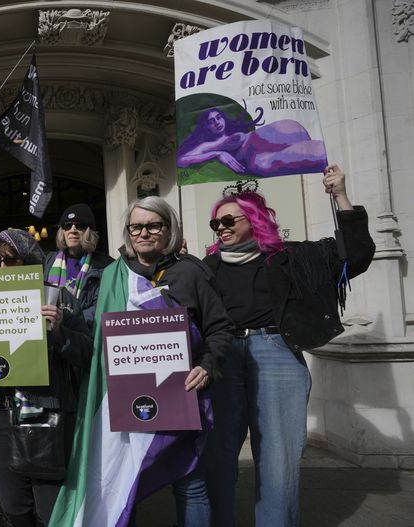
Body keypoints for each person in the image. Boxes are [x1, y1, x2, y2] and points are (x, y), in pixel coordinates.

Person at [203, 164, 375, 527]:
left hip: (275, 353)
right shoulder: (205, 268)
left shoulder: (291, 257)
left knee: (278, 460)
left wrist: (340, 195)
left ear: (254, 218)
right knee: (215, 457)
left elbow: (356, 255)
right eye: (216, 224)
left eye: (230, 220)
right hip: (222, 358)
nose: (222, 228)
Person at [78, 196, 233, 527]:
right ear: (127, 231)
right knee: (121, 484)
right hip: (123, 401)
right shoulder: (111, 276)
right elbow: (91, 331)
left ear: (169, 229)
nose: (144, 233)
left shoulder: (191, 272)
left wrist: (207, 366)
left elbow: (219, 328)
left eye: (153, 225)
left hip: (181, 396)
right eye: (136, 226)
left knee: (190, 483)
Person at [0, 228, 92, 527]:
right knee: (12, 502)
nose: (1, 267)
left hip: (47, 407)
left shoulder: (59, 296)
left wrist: (59, 332)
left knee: (50, 503)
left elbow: (87, 352)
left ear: (28, 260)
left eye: (9, 259)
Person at [177, 107, 326, 177]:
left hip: (266, 138)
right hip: (258, 157)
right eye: (210, 121)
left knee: (302, 141)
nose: (216, 122)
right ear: (206, 127)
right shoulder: (207, 145)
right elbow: (182, 160)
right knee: (313, 154)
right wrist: (218, 152)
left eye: (218, 117)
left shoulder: (236, 131)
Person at [44, 204, 113, 329]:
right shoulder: (47, 261)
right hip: (50, 334)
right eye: (67, 226)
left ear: (89, 231)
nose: (72, 230)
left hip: (85, 336)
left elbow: (102, 308)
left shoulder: (106, 266)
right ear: (62, 231)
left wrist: (66, 320)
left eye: (79, 226)